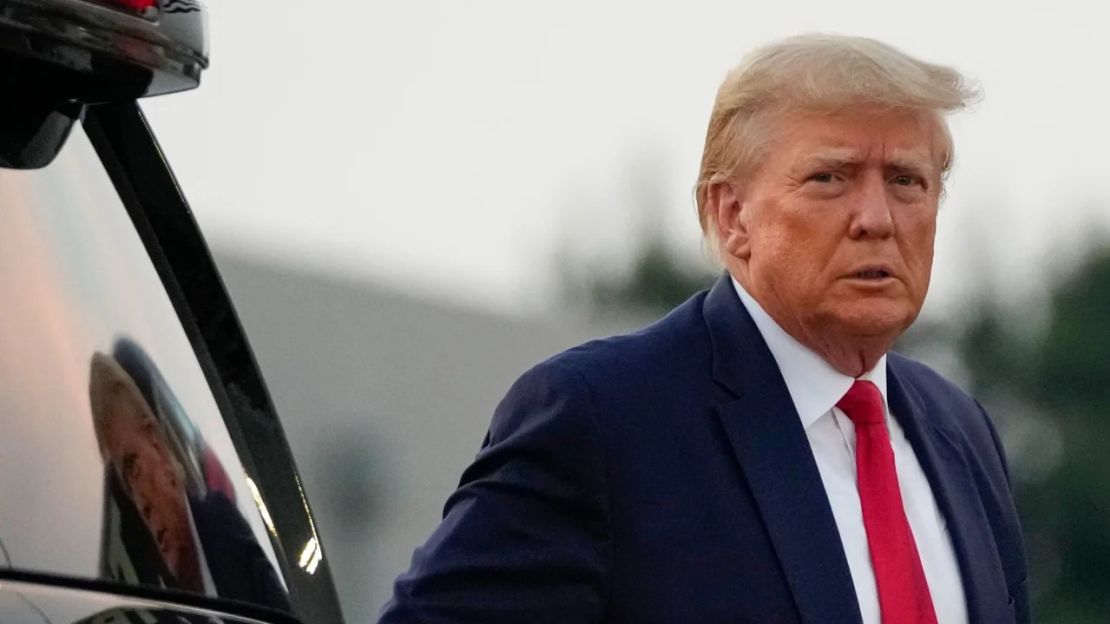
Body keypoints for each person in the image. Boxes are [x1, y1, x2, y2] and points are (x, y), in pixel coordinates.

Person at [379, 34, 1028, 624]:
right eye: (830, 177)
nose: (875, 218)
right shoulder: (604, 419)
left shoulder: (960, 429)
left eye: (907, 181)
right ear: (732, 216)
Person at [88, 347, 291, 611]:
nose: (140, 504)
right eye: (128, 488)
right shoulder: (160, 604)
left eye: (133, 467)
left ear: (157, 446)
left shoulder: (220, 527)